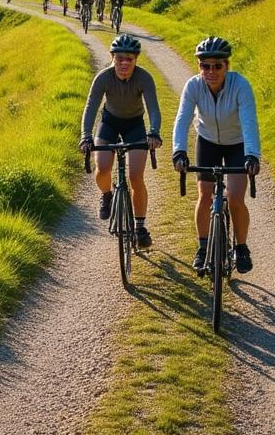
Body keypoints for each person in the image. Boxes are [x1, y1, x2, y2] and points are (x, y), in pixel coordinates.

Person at [171, 36, 263, 274]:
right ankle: (203, 247)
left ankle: (241, 247)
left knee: (234, 198)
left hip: (237, 143)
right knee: (204, 196)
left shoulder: (240, 85)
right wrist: (179, 150)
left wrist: (252, 155)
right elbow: (182, 119)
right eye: (205, 66)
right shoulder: (193, 86)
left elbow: (249, 122)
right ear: (199, 66)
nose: (211, 71)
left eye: (217, 66)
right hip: (208, 141)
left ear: (227, 66)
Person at [79, 34, 163, 247]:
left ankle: (140, 226)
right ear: (112, 57)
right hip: (109, 122)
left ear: (136, 60)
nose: (124, 63)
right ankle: (106, 194)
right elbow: (91, 108)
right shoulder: (103, 77)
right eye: (119, 58)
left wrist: (153, 132)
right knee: (103, 167)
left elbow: (153, 108)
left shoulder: (144, 78)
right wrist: (86, 136)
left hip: (135, 125)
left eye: (129, 59)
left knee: (135, 176)